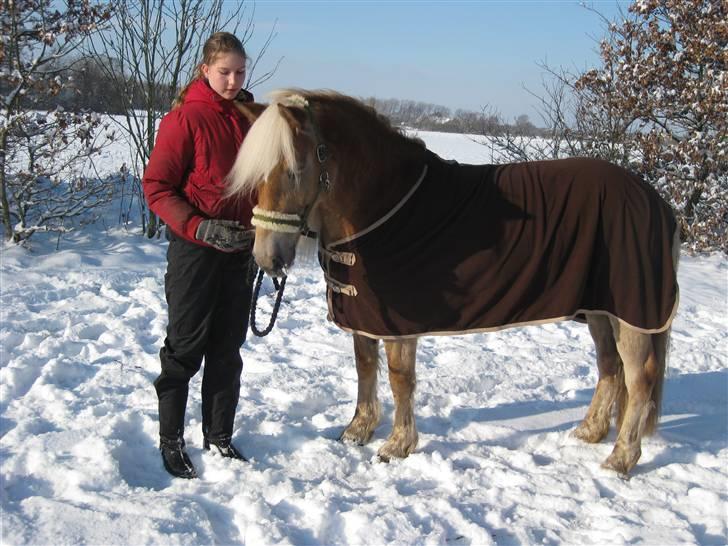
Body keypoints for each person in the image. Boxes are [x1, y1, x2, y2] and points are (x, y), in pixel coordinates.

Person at [142, 32, 257, 479]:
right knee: (186, 347)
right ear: (205, 70)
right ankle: (171, 439)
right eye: (224, 71)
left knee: (227, 348)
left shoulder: (251, 119)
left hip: (239, 252)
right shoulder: (184, 119)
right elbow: (156, 188)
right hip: (195, 250)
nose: (232, 81)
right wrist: (199, 226)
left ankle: (220, 436)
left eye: (240, 72)